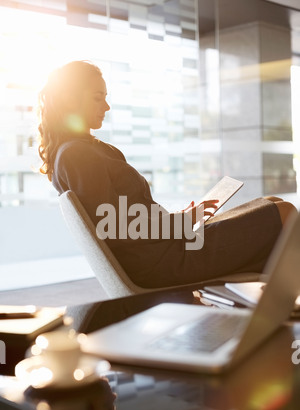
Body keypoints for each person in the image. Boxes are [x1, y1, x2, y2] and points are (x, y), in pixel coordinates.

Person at [37, 60, 297, 288]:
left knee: (273, 203)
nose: (106, 106)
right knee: (284, 215)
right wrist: (183, 222)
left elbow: (125, 218)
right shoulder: (77, 155)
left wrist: (184, 218)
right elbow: (114, 227)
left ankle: (279, 299)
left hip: (161, 247)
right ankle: (284, 302)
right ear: (71, 99)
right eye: (97, 97)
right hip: (161, 260)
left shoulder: (82, 150)